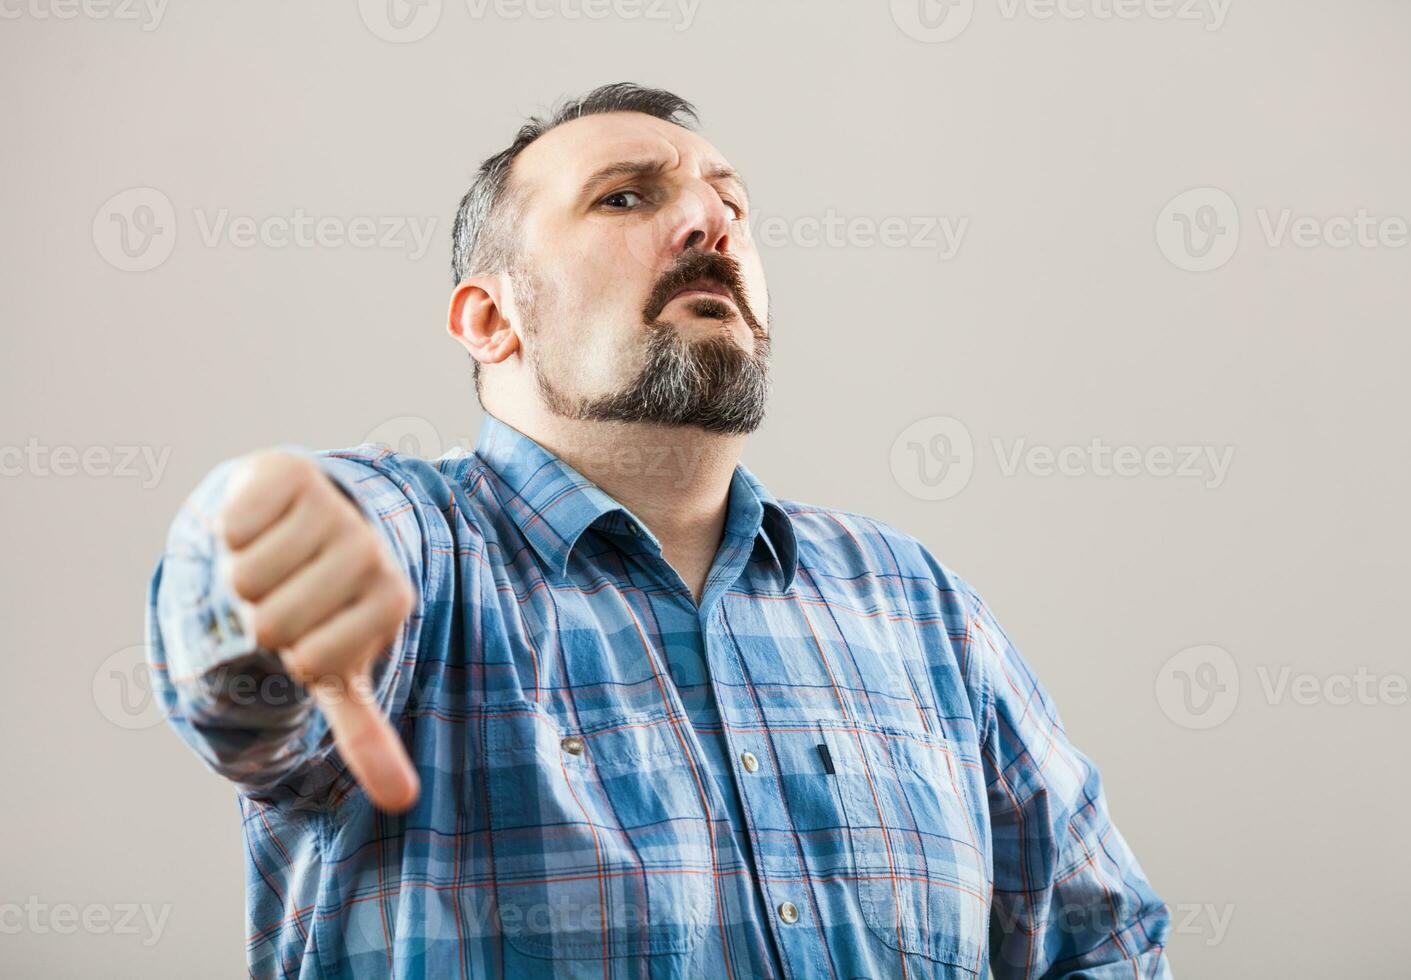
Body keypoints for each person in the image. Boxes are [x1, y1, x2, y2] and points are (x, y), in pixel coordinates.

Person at [147, 81, 1173, 979]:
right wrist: (256, 567)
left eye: (730, 203)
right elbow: (254, 626)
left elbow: (1105, 940)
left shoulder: (917, 600)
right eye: (627, 196)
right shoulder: (416, 547)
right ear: (490, 318)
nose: (709, 224)